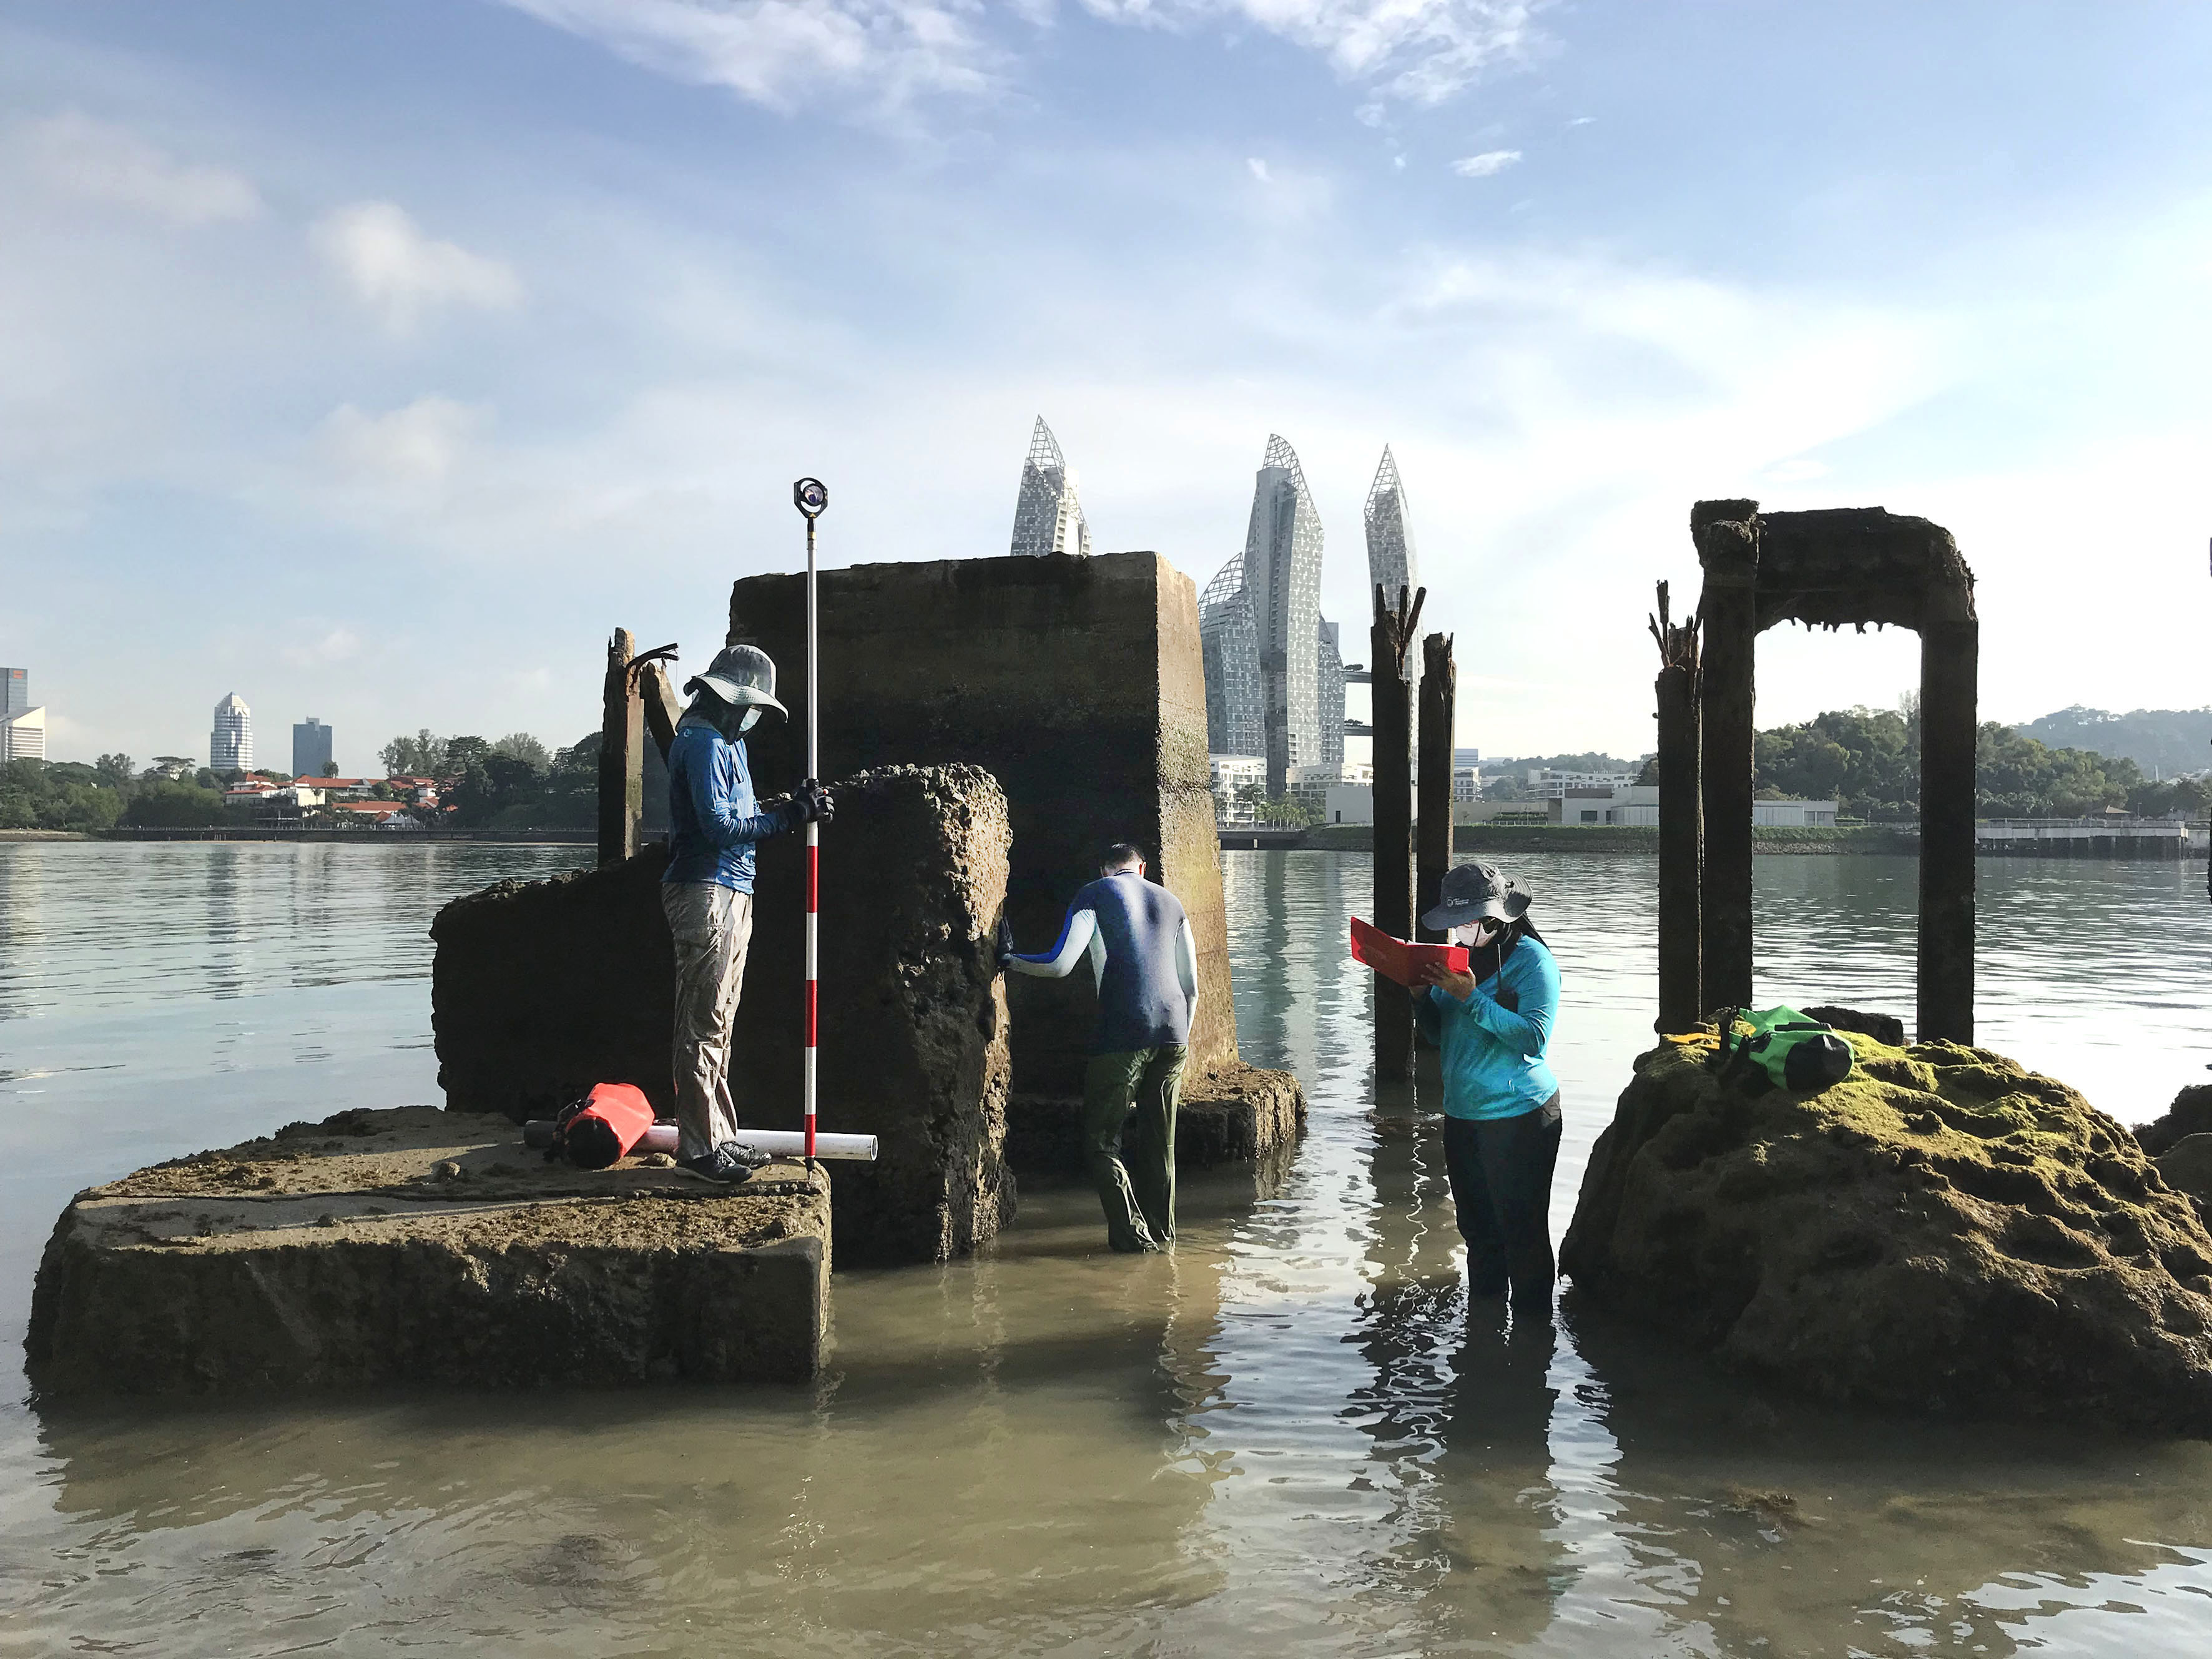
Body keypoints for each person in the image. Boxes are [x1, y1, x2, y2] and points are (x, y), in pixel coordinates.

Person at [662, 644, 833, 1183]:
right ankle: (697, 1150)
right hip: (705, 888)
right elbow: (717, 827)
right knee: (703, 1021)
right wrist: (789, 818)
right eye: (749, 706)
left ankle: (721, 1136)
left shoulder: (727, 744)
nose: (752, 717)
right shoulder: (703, 742)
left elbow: (746, 812)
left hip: (735, 888)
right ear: (727, 699)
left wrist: (792, 804)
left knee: (721, 1020)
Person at [1002, 843, 1199, 1253]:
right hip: (1175, 1033)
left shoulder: (1093, 893)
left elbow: (1059, 964)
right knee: (1158, 1142)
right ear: (1141, 868)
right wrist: (1178, 1036)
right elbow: (1192, 989)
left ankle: (1134, 1240)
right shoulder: (1173, 901)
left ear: (1104, 869)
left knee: (1100, 1142)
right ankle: (1165, 1238)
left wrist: (1009, 959)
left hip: (1122, 1034)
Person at [1413, 860, 1563, 1310]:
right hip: (1462, 1116)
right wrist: (1420, 1000)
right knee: (1477, 1232)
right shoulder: (1454, 962)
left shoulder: (1533, 962)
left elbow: (1533, 1038)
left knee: (1523, 1233)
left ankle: (1534, 1340)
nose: (1457, 931)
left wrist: (1471, 998)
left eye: (1465, 923)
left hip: (1520, 1115)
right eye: (1452, 923)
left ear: (1495, 919)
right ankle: (1482, 1335)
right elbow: (1440, 1036)